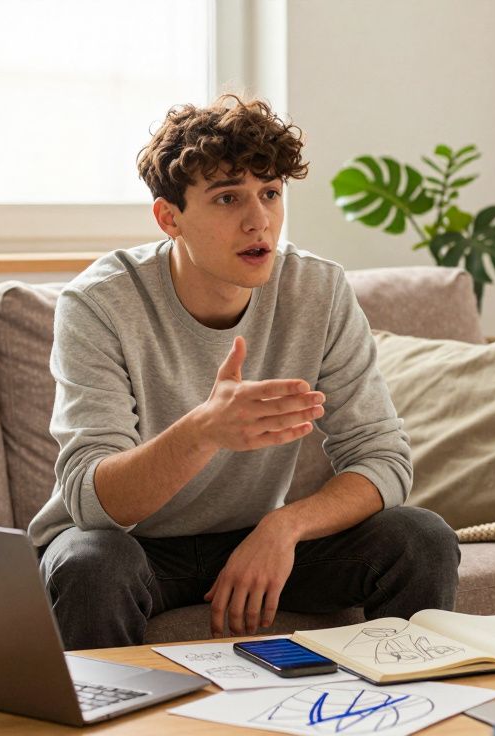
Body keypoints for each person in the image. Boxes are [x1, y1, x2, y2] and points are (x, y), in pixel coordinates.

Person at [26, 94, 460, 649]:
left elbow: (384, 459)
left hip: (251, 533)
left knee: (421, 538)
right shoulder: (99, 303)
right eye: (228, 198)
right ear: (169, 217)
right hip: (129, 546)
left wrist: (285, 526)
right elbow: (93, 503)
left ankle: (405, 695)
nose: (259, 221)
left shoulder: (318, 289)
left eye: (270, 194)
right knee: (92, 565)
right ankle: (109, 705)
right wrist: (204, 430)